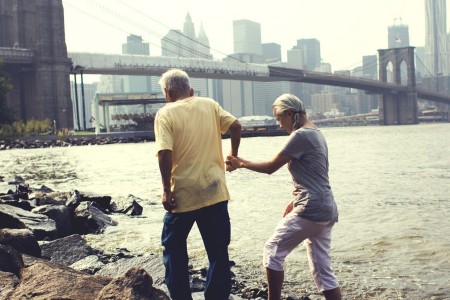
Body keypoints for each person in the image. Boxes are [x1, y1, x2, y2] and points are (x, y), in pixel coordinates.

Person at [226, 93, 341, 300]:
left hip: (312, 208)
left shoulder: (301, 135)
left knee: (272, 251)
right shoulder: (316, 132)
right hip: (326, 208)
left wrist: (240, 163)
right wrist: (294, 200)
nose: (279, 125)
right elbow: (315, 175)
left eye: (279, 119)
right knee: (323, 269)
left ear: (289, 114)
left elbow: (271, 167)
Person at [154, 68, 242, 300]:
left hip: (183, 195)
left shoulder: (165, 113)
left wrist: (165, 190)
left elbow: (164, 152)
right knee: (218, 254)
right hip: (215, 191)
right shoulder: (210, 104)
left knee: (174, 249)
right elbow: (236, 125)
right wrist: (233, 156)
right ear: (190, 90)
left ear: (168, 92)